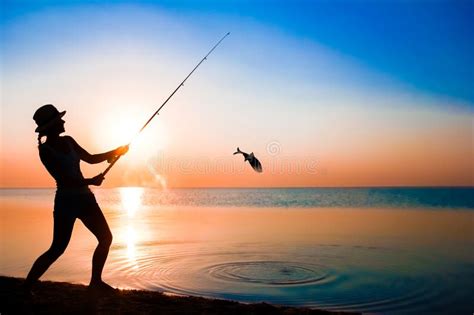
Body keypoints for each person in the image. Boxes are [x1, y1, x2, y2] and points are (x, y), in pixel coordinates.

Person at [24, 104, 128, 293]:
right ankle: (26, 286)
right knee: (57, 249)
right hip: (66, 202)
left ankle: (95, 282)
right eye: (59, 120)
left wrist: (116, 151)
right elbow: (65, 180)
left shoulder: (70, 141)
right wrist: (91, 181)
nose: (63, 121)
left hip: (85, 199)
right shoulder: (45, 151)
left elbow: (91, 158)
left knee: (105, 238)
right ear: (53, 125)